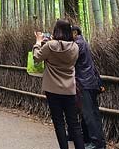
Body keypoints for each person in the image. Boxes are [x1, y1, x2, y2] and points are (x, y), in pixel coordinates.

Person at [33, 20, 85, 149]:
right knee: (74, 123)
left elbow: (36, 57)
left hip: (52, 89)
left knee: (59, 122)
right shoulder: (75, 47)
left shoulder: (49, 46)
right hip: (69, 89)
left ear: (56, 30)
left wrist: (38, 42)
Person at [72, 26, 105, 149]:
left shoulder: (78, 44)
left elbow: (70, 59)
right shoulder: (82, 42)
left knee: (89, 114)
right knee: (90, 113)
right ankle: (90, 140)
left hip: (85, 83)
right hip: (89, 82)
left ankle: (96, 143)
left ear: (75, 33)